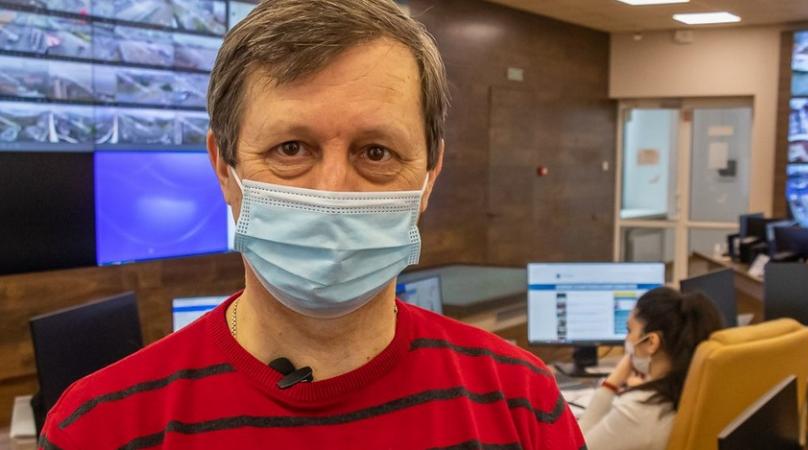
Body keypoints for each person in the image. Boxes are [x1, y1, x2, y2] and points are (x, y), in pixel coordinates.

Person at [38, 1, 586, 449]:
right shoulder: (98, 429)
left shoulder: (522, 404)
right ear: (223, 168)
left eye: (376, 151)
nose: (332, 192)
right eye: (291, 148)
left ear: (430, 174)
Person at [578, 287, 724, 450]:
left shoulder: (639, 409)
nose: (627, 338)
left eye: (629, 330)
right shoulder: (698, 389)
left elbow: (574, 445)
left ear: (652, 342)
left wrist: (611, 383)